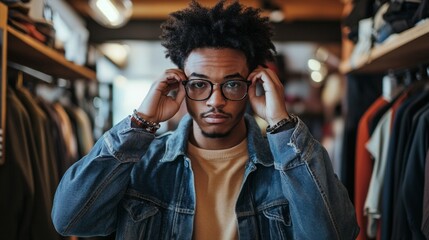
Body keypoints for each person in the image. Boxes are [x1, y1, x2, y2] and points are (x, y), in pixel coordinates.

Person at [51, 1, 359, 239]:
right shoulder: (144, 164)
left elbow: (334, 233)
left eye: (231, 84)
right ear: (179, 85)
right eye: (199, 84)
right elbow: (70, 219)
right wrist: (141, 121)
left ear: (252, 85)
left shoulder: (284, 168)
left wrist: (282, 125)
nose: (215, 100)